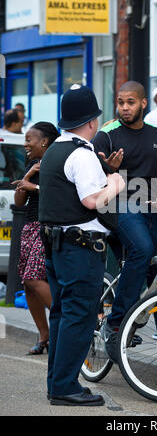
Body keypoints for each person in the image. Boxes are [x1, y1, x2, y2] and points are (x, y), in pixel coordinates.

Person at [92, 81, 157, 374]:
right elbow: (92, 178)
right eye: (120, 102)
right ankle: (115, 324)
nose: (125, 107)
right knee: (143, 250)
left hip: (151, 212)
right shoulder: (106, 135)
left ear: (143, 103)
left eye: (130, 102)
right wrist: (108, 170)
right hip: (118, 208)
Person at [39, 84, 125, 406]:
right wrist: (115, 182)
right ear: (92, 121)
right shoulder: (82, 153)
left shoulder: (54, 150)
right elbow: (91, 200)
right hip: (80, 248)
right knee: (80, 315)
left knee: (62, 314)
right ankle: (65, 388)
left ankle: (57, 383)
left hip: (57, 245)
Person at [13, 122, 59, 355]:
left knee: (33, 278)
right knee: (27, 284)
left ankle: (65, 321)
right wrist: (29, 175)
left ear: (44, 141)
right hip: (30, 226)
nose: (25, 144)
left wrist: (34, 186)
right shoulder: (33, 164)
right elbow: (19, 201)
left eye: (29, 139)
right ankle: (45, 335)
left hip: (47, 226)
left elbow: (60, 194)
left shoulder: (56, 162)